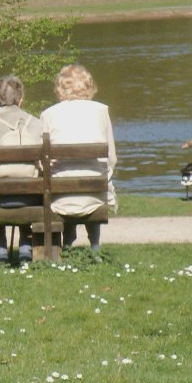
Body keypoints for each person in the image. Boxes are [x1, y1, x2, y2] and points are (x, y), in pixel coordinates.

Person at [40, 64, 117, 251]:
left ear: (60, 87)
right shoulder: (101, 111)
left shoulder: (48, 114)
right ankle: (95, 245)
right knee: (92, 175)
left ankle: (67, 242)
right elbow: (112, 158)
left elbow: (42, 162)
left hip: (59, 196)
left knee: (63, 176)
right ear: (88, 85)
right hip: (95, 193)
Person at [0, 75, 43, 264]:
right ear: (21, 100)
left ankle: (1, 253)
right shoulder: (36, 123)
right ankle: (25, 252)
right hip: (32, 196)